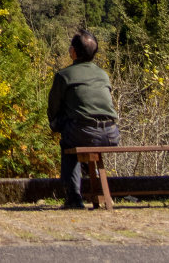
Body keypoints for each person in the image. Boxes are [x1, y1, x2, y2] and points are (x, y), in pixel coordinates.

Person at [48, 31, 119, 210]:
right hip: (112, 134)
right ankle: (88, 166)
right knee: (75, 129)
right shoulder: (103, 74)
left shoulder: (64, 75)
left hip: (82, 133)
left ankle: (74, 197)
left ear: (73, 51)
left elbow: (53, 110)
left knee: (67, 142)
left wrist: (56, 123)